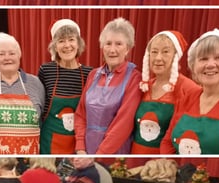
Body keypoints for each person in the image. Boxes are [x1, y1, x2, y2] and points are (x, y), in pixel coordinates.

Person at [161, 29, 219, 156]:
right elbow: (167, 142)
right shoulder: (187, 98)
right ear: (193, 66)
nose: (210, 64)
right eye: (203, 59)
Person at [74, 18, 142, 155]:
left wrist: (99, 155)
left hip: (114, 152)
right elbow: (81, 114)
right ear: (102, 47)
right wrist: (80, 147)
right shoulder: (93, 75)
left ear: (128, 48)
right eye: (108, 44)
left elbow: (124, 123)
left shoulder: (134, 78)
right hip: (86, 150)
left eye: (118, 44)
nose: (112, 49)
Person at [0, 33, 45, 156]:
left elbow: (42, 121)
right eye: (1, 54)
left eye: (12, 53)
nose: (7, 58)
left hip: (29, 159)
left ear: (19, 56)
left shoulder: (36, 83)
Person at [131, 31, 199, 154]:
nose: (158, 58)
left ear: (176, 56)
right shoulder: (143, 87)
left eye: (165, 52)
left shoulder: (189, 89)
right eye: (154, 52)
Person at [38, 19, 93, 154]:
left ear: (78, 44)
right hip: (48, 141)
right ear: (55, 46)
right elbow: (38, 107)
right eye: (61, 41)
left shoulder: (89, 74)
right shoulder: (46, 70)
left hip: (78, 143)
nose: (67, 45)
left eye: (71, 39)